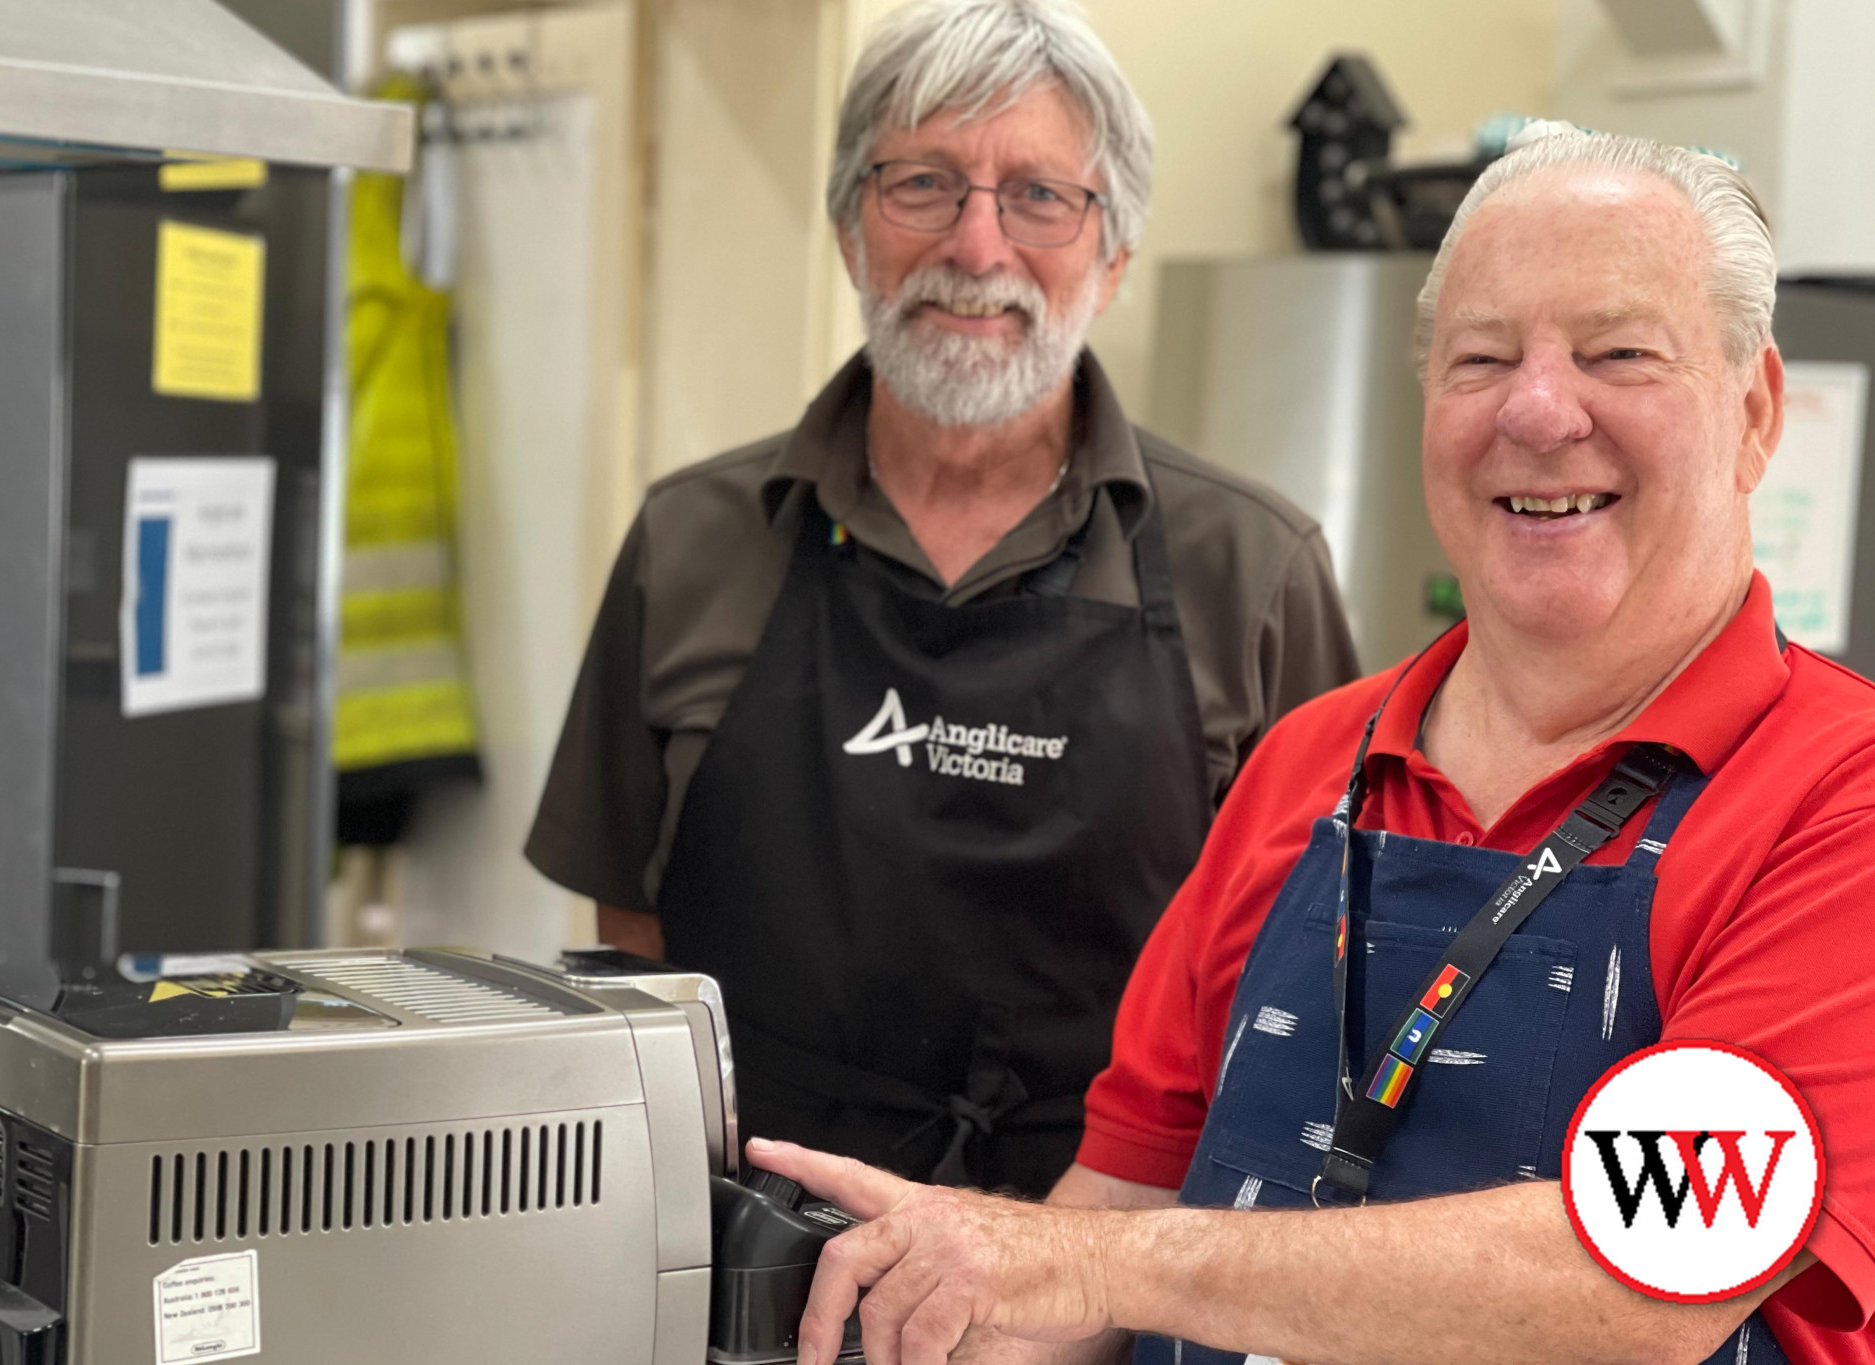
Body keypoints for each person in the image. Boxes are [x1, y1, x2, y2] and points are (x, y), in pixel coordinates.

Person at [749, 126, 1875, 1364]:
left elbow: (1656, 1275)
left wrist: (1081, 1260)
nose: (1538, 409)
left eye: (1616, 354)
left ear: (1756, 411)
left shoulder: (1836, 796)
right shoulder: (1311, 761)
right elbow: (1122, 1202)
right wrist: (933, 1312)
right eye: (1479, 358)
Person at [526, 0, 1356, 1197]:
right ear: (850, 231)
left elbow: (1310, 961)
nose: (975, 248)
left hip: (1101, 1279)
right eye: (921, 184)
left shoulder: (1252, 569)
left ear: (1111, 254)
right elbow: (628, 924)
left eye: (1037, 196)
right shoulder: (689, 539)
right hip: (745, 1259)